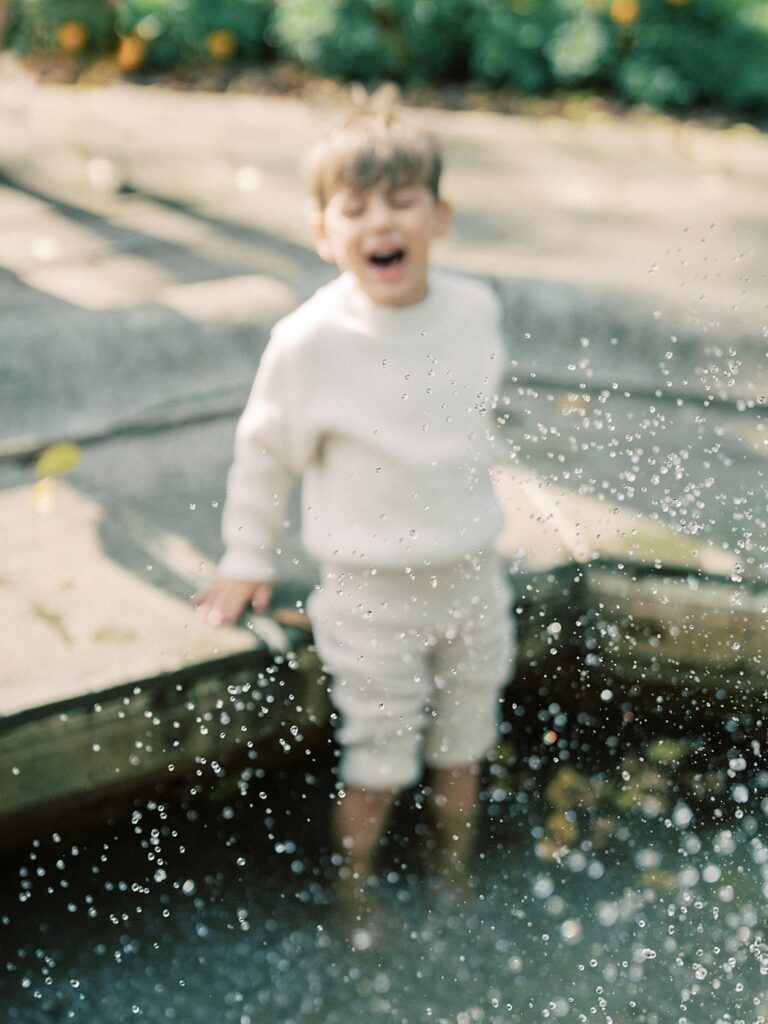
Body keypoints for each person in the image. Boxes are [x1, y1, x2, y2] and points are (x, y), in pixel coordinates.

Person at [194, 87, 516, 925]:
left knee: (465, 748)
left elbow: (465, 422)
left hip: (471, 573)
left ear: (438, 217)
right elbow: (264, 456)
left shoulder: (476, 311)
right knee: (378, 757)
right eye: (358, 207)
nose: (383, 222)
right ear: (323, 232)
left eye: (403, 202)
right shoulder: (309, 342)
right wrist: (246, 557)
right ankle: (356, 898)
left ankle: (454, 884)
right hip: (371, 590)